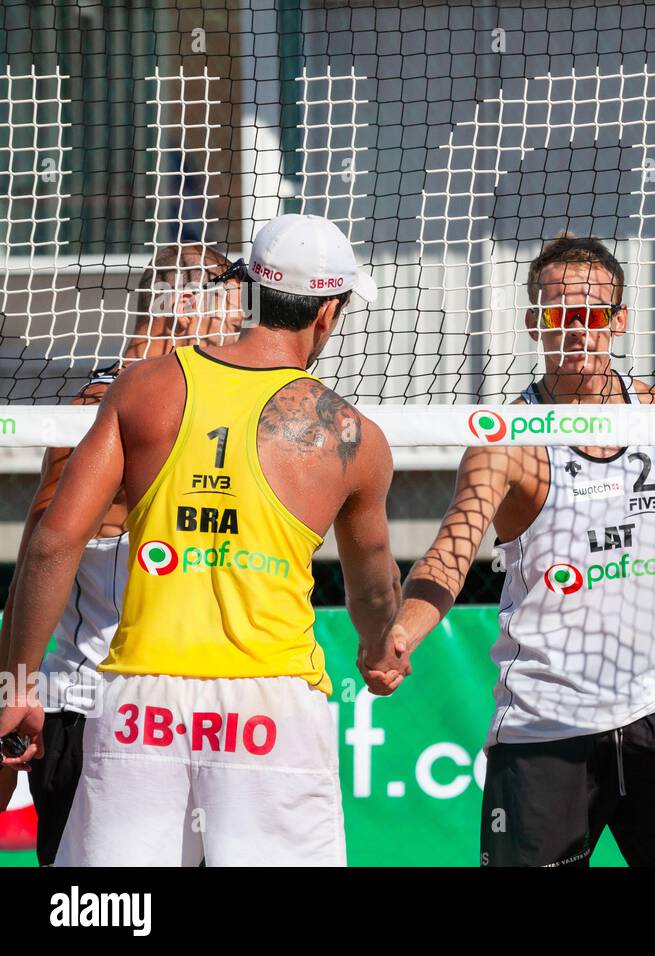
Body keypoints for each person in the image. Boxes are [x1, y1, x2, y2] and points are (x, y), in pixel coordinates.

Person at [0, 214, 403, 866]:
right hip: (262, 701)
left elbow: (49, 545)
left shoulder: (139, 394)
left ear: (248, 291)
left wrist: (14, 684)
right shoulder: (348, 432)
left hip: (137, 697)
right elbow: (375, 584)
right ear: (328, 312)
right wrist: (383, 645)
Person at [377, 235, 655, 867]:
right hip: (546, 724)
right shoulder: (507, 440)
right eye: (560, 315)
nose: (577, 331)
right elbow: (451, 550)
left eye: (592, 315)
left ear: (619, 321)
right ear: (535, 323)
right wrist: (403, 634)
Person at [0, 243, 244, 865]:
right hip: (95, 710)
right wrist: (15, 685)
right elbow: (40, 556)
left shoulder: (224, 410)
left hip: (191, 713)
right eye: (233, 320)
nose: (240, 337)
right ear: (187, 309)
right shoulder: (98, 408)